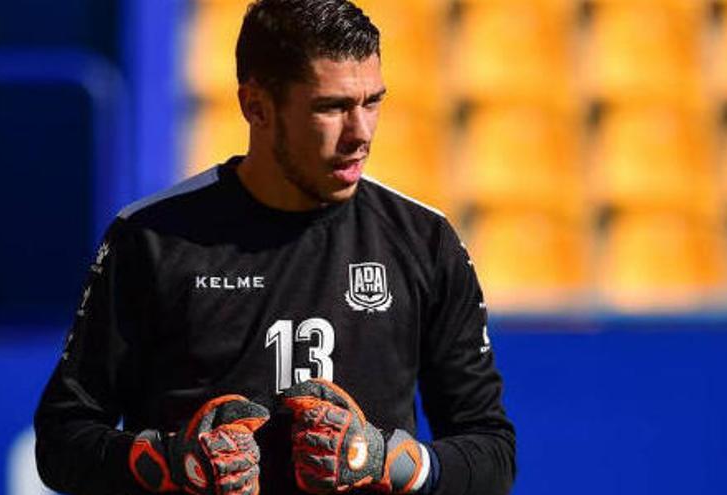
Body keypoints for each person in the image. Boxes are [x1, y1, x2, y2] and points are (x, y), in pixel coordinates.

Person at [33, 1, 516, 494]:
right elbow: (61, 441)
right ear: (256, 106)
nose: (361, 133)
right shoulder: (150, 238)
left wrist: (389, 462)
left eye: (372, 102)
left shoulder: (425, 240)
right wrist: (171, 463)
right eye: (331, 107)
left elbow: (493, 453)